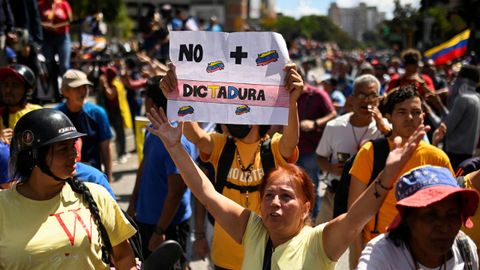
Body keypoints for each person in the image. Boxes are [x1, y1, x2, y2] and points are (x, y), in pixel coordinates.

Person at [146, 98, 431, 269]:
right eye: (268, 194)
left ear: (307, 207)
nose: (274, 202)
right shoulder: (253, 229)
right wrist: (175, 147)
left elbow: (357, 217)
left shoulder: (320, 243)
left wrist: (387, 175)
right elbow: (205, 192)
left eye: (285, 196)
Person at [160, 63, 302, 269]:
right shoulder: (221, 145)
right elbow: (196, 136)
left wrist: (292, 102)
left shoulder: (273, 147)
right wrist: (178, 97)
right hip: (223, 257)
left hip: (263, 257)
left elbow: (291, 141)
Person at [0, 108, 136, 269]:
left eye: (73, 145)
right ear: (34, 156)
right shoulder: (3, 207)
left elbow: (124, 258)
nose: (74, 153)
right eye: (63, 148)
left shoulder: (97, 195)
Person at [348, 85, 453, 266]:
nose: (410, 118)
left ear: (423, 116)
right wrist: (356, 262)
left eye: (415, 112)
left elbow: (451, 210)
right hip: (378, 250)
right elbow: (354, 216)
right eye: (402, 112)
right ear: (389, 116)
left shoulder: (437, 157)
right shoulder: (370, 152)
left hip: (425, 252)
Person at [127, 76, 196, 268]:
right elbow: (143, 168)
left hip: (168, 227)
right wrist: (133, 205)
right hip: (146, 222)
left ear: (151, 101)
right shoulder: (154, 130)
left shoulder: (176, 140)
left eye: (146, 97)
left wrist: (159, 231)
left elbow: (176, 192)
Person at [357, 165, 479, 269]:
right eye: (431, 216)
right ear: (407, 219)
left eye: (452, 215)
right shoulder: (382, 256)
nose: (444, 227)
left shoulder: (465, 249)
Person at [316, 74, 390, 225]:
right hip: (334, 197)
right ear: (351, 98)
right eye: (361, 95)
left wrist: (384, 127)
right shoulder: (334, 126)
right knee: (322, 243)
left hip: (370, 201)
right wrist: (331, 168)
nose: (367, 100)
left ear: (379, 99)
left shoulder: (385, 128)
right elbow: (320, 157)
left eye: (372, 95)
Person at [56, 69, 114, 182]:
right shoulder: (57, 116)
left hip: (92, 178)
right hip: (63, 179)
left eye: (85, 87)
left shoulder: (97, 113)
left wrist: (108, 177)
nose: (83, 92)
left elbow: (106, 147)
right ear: (65, 91)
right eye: (77, 88)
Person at [297, 75, 337, 218]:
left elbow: (333, 114)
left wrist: (315, 124)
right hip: (290, 150)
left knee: (311, 185)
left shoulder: (318, 94)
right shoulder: (285, 93)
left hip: (311, 150)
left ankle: (312, 219)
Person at [0, 64, 42, 143]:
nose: (8, 90)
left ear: (28, 90)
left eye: (15, 85)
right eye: (5, 85)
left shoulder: (38, 114)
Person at [100, 65, 132, 164]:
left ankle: (122, 154)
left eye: (105, 73)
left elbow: (111, 96)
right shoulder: (115, 82)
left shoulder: (114, 84)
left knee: (120, 134)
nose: (103, 75)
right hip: (110, 111)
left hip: (116, 112)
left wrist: (104, 84)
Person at [38, 0, 72, 75]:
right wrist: (46, 26)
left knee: (64, 66)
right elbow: (36, 21)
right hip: (47, 38)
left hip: (63, 38)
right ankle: (54, 85)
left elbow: (70, 21)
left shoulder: (63, 4)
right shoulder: (40, 5)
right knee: (49, 66)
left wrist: (57, 26)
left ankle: (66, 85)